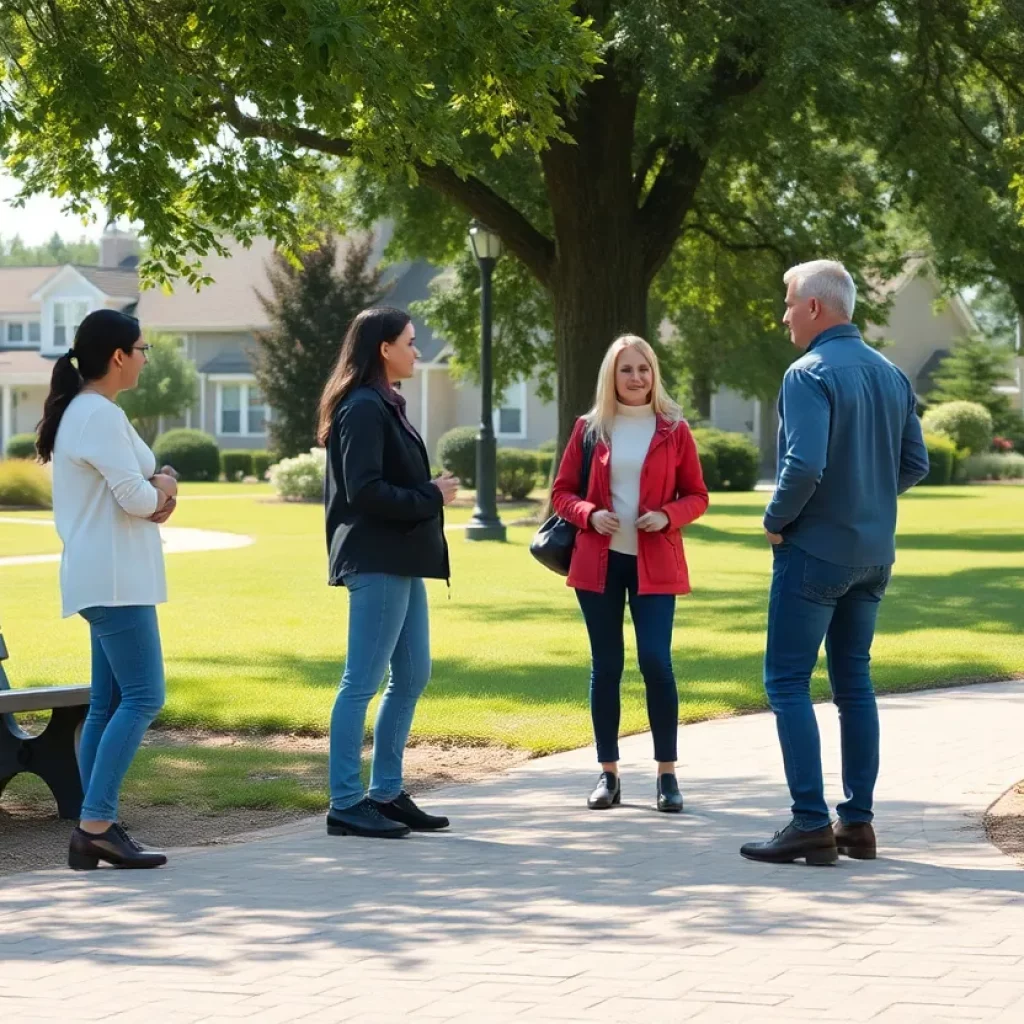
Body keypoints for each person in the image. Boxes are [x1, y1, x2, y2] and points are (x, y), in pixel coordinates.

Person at [740, 260, 930, 867]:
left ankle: (808, 823)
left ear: (816, 308)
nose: (784, 314)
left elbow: (802, 466)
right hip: (874, 556)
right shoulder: (891, 373)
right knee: (854, 684)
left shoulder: (808, 373)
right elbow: (915, 463)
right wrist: (867, 501)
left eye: (789, 302)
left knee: (787, 682)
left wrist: (774, 521)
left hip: (814, 550)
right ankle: (858, 824)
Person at [37, 308, 179, 871]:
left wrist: (153, 491)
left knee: (110, 703)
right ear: (119, 356)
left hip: (108, 575)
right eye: (143, 349)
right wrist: (165, 485)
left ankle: (92, 826)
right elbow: (138, 498)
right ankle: (96, 824)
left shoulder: (93, 411)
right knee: (145, 696)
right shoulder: (95, 415)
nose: (146, 357)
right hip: (115, 580)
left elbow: (133, 494)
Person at [552, 334, 709, 812]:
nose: (636, 377)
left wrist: (667, 515)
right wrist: (588, 514)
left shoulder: (674, 429)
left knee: (657, 664)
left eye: (644, 369)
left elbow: (697, 496)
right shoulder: (589, 428)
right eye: (626, 370)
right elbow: (561, 493)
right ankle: (608, 774)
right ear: (611, 376)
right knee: (607, 667)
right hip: (599, 562)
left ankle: (667, 777)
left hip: (655, 562)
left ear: (654, 373)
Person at [319, 307, 459, 839]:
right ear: (384, 348)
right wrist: (431, 494)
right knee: (361, 683)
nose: (416, 350)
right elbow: (366, 491)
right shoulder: (362, 408)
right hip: (376, 561)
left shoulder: (384, 404)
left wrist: (427, 496)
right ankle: (346, 802)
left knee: (413, 675)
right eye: (410, 341)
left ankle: (386, 791)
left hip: (401, 562)